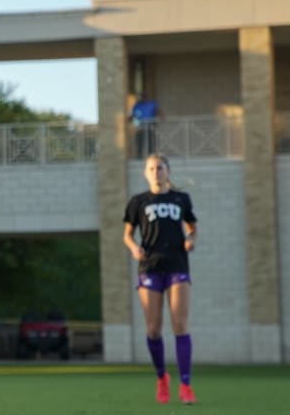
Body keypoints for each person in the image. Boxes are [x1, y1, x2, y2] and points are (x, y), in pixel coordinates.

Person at [123, 153, 198, 405]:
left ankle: (186, 385)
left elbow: (192, 227)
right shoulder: (138, 202)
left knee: (180, 325)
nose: (156, 172)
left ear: (168, 171)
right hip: (150, 267)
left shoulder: (181, 199)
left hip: (177, 265)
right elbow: (127, 235)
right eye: (152, 169)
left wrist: (190, 239)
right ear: (146, 173)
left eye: (160, 168)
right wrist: (134, 248)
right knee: (153, 329)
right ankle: (161, 377)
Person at [131, 93, 161, 158]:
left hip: (150, 125)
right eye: (143, 97)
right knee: (139, 141)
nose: (144, 98)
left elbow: (158, 112)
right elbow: (133, 115)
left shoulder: (152, 104)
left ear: (147, 97)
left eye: (145, 97)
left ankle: (151, 156)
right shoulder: (137, 105)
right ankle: (139, 155)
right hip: (140, 126)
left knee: (150, 141)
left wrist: (158, 118)